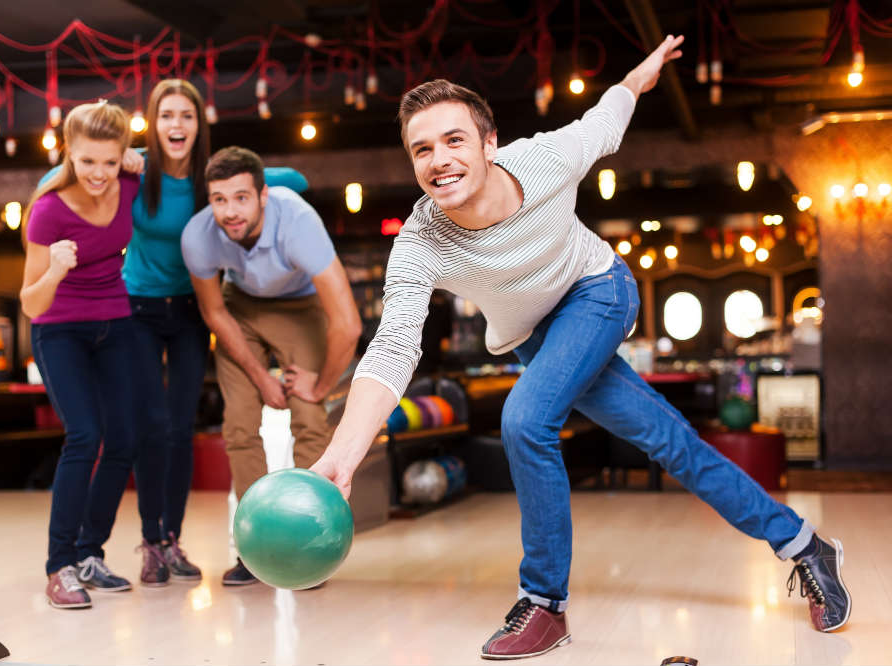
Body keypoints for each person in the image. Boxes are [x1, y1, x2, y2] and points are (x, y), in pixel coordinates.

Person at [310, 35, 851, 659]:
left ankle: (544, 604)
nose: (439, 160)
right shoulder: (419, 242)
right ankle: (806, 545)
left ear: (489, 144)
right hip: (536, 336)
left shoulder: (546, 159)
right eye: (421, 149)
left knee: (525, 418)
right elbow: (393, 348)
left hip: (597, 292)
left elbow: (606, 116)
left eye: (454, 140)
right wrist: (344, 456)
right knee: (669, 441)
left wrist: (640, 76)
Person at [114, 80, 310, 587]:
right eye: (166, 116)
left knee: (180, 427)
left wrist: (255, 182)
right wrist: (120, 154)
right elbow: (60, 171)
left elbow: (298, 179)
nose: (176, 125)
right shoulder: (136, 170)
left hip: (191, 311)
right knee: (149, 424)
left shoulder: (209, 182)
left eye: (186, 116)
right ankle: (150, 542)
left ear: (199, 125)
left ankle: (171, 542)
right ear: (153, 124)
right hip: (135, 307)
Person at [180, 146, 362, 586]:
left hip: (300, 307)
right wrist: (261, 377)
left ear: (263, 195)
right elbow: (214, 314)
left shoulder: (298, 221)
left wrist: (321, 386)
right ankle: (255, 549)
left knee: (308, 420)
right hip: (238, 308)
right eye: (219, 199)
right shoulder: (198, 235)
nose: (229, 211)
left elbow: (348, 323)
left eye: (241, 197)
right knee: (239, 427)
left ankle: (312, 546)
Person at [20, 101, 139, 609]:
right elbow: (29, 301)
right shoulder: (48, 209)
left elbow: (168, 166)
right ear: (68, 152)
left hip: (115, 323)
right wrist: (54, 271)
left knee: (124, 440)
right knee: (84, 434)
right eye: (87, 161)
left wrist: (139, 159)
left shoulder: (130, 182)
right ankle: (59, 565)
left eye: (109, 162)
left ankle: (90, 553)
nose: (98, 173)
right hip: (59, 328)